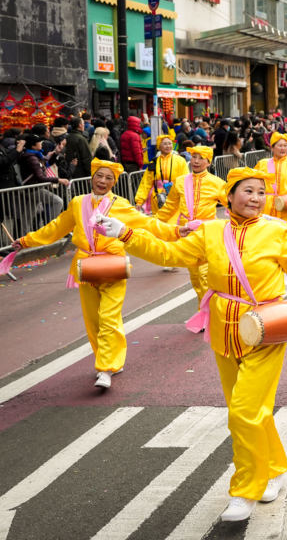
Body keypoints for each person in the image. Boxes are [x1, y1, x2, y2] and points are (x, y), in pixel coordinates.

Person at [97, 167, 287, 522]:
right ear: (229, 196)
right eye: (248, 191)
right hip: (224, 329)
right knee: (252, 409)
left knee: (244, 411)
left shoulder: (276, 230)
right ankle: (275, 467)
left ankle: (244, 490)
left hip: (266, 329)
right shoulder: (211, 231)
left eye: (261, 193)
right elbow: (171, 255)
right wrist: (126, 234)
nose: (256, 198)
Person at [11, 160, 185, 389]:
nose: (103, 181)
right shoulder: (77, 203)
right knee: (94, 320)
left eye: (109, 178)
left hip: (113, 266)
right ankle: (110, 359)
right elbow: (55, 228)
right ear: (92, 177)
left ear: (115, 182)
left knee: (109, 318)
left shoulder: (120, 205)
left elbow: (147, 224)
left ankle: (105, 368)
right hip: (85, 267)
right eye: (99, 176)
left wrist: (175, 230)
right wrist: (25, 241)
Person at [155, 145, 227, 307]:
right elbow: (168, 208)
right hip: (186, 233)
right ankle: (204, 311)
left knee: (205, 274)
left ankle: (210, 313)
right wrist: (151, 224)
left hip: (209, 233)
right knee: (195, 276)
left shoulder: (217, 183)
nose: (196, 161)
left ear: (209, 162)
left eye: (201, 158)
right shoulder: (180, 182)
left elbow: (233, 206)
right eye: (194, 156)